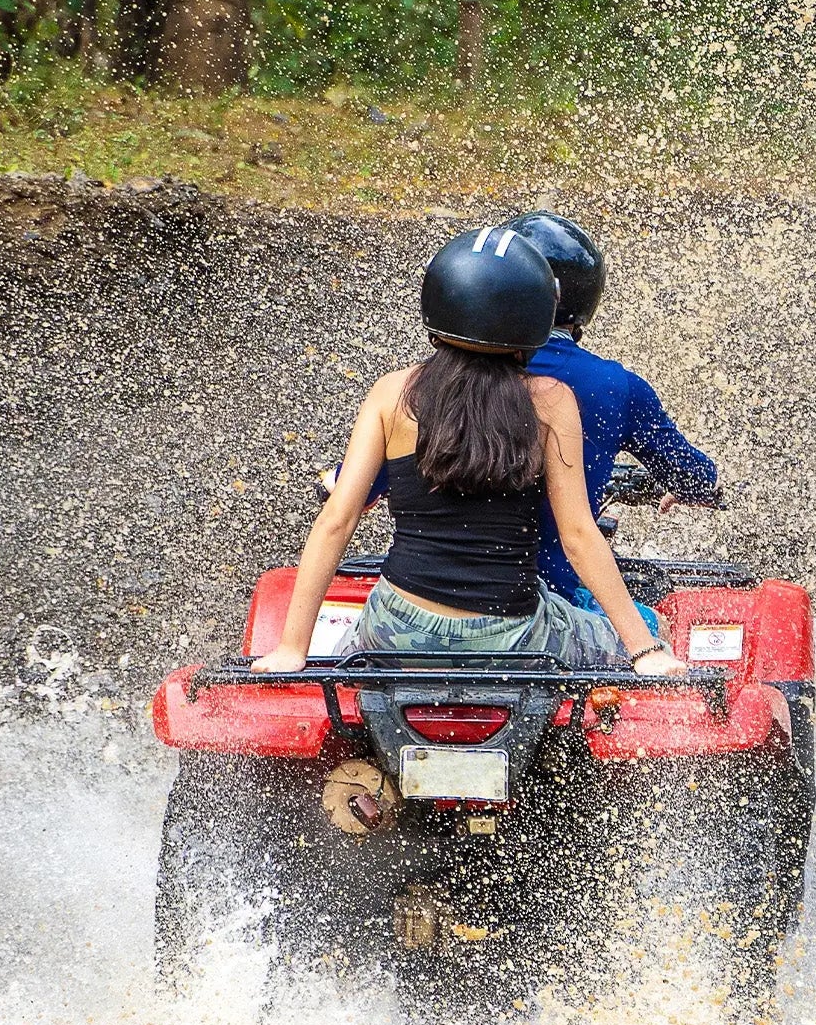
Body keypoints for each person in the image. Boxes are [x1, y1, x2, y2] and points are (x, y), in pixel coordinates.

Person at [253, 227, 684, 680]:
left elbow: (337, 520)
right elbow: (578, 535)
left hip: (395, 625)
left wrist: (290, 648)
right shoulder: (551, 402)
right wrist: (646, 649)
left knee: (347, 658)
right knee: (644, 630)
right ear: (538, 317)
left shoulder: (391, 394)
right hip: (511, 633)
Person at [501, 212, 722, 615]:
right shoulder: (611, 387)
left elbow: (352, 496)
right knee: (655, 625)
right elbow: (694, 478)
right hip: (542, 607)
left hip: (417, 609)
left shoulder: (433, 385)